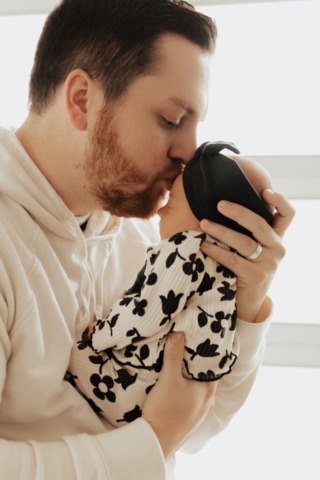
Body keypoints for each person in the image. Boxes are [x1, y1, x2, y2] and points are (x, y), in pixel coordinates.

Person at [0, 1, 295, 479]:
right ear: (82, 100)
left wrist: (244, 308)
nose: (189, 152)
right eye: (172, 119)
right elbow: (167, 434)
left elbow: (198, 425)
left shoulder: (147, 239)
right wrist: (154, 440)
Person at [67, 140, 275, 429]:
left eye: (172, 204)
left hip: (128, 391)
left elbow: (146, 312)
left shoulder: (182, 252)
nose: (160, 212)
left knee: (73, 355)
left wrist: (99, 336)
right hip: (160, 396)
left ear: (206, 222)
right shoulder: (223, 273)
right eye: (170, 120)